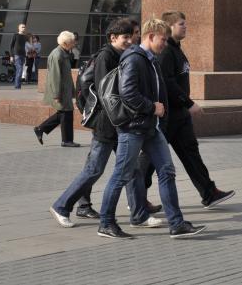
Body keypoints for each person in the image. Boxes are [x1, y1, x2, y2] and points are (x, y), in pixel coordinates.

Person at [98, 18, 206, 239]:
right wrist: (151, 108)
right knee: (121, 174)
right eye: (162, 40)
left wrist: (159, 118)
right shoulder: (135, 59)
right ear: (150, 36)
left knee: (167, 171)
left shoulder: (150, 59)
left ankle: (176, 224)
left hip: (151, 128)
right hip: (134, 128)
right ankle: (106, 223)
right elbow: (128, 93)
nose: (165, 44)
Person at [49, 19, 160, 228]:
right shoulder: (106, 57)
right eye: (125, 37)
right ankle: (61, 206)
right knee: (94, 169)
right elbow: (107, 92)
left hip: (120, 122)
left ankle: (139, 214)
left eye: (131, 36)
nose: (129, 40)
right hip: (108, 123)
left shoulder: (122, 55)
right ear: (113, 38)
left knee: (133, 168)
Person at [159, 11, 235, 208]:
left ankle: (208, 192)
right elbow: (167, 82)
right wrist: (188, 102)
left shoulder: (176, 50)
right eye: (181, 24)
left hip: (179, 115)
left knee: (191, 153)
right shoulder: (167, 52)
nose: (185, 27)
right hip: (170, 114)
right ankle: (137, 194)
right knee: (152, 159)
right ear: (170, 27)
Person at [34, 31, 80, 148]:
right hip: (60, 91)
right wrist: (56, 94)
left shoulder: (63, 53)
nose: (74, 44)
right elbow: (55, 76)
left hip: (64, 89)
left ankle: (41, 129)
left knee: (64, 113)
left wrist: (72, 90)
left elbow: (66, 75)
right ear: (65, 43)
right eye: (72, 42)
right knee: (66, 113)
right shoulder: (57, 55)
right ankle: (66, 140)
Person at [10, 23, 28, 89]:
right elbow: (11, 46)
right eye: (22, 27)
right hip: (17, 55)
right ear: (19, 28)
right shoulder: (15, 35)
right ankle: (17, 86)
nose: (24, 28)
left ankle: (18, 86)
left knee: (19, 70)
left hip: (23, 55)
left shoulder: (25, 36)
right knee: (19, 70)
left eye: (24, 27)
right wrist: (11, 56)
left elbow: (26, 46)